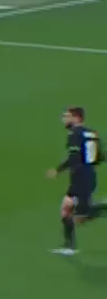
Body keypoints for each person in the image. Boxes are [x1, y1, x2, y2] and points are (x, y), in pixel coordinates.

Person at [49, 106, 101, 255]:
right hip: (89, 174)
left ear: (77, 118)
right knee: (65, 209)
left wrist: (58, 170)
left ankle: (101, 209)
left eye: (67, 116)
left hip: (81, 177)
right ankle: (69, 247)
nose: (64, 119)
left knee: (81, 217)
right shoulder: (92, 133)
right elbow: (100, 156)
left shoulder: (74, 135)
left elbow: (74, 158)